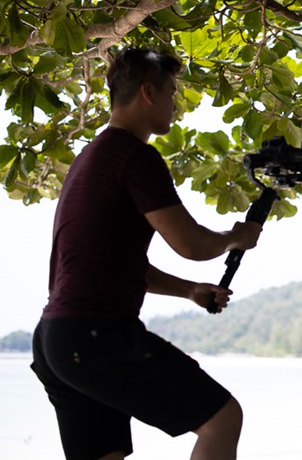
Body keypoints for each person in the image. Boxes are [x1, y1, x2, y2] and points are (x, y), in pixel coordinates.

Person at [30, 48, 263, 460]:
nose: (177, 103)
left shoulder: (91, 156)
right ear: (148, 93)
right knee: (221, 419)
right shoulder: (134, 156)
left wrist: (189, 290)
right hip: (96, 334)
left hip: (58, 340)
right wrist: (234, 237)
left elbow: (114, 261)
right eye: (173, 92)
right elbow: (191, 244)